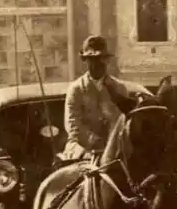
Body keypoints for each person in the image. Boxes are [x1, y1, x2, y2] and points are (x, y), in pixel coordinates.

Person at [62, 35, 152, 163]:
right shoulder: (76, 90)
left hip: (114, 148)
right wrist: (94, 141)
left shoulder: (119, 88)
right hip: (82, 147)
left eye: (102, 59)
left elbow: (125, 120)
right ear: (86, 61)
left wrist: (114, 143)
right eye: (93, 59)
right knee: (88, 170)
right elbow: (73, 124)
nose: (99, 63)